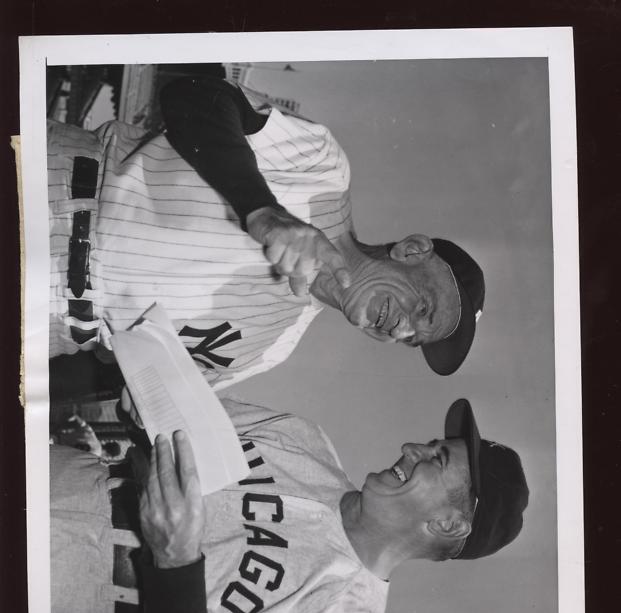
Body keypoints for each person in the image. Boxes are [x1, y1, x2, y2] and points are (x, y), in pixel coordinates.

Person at [51, 397, 528, 613]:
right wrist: (146, 406)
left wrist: (177, 561)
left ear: (448, 524)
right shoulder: (302, 437)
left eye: (436, 458)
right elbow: (165, 424)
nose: (411, 449)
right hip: (55, 479)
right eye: (429, 443)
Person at [48, 76, 485, 392]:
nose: (402, 332)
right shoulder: (324, 170)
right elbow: (193, 93)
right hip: (52, 188)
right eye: (422, 309)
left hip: (49, 325)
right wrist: (262, 210)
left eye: (413, 341)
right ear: (412, 251)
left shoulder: (273, 349)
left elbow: (109, 374)